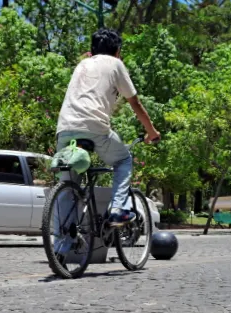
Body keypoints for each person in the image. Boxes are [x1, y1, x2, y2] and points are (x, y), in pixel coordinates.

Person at [55, 28, 160, 226]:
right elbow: (135, 103)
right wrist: (151, 132)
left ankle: (59, 249)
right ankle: (118, 209)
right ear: (117, 51)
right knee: (123, 160)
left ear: (92, 50)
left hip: (64, 129)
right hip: (95, 128)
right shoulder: (115, 64)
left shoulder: (82, 64)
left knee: (68, 187)